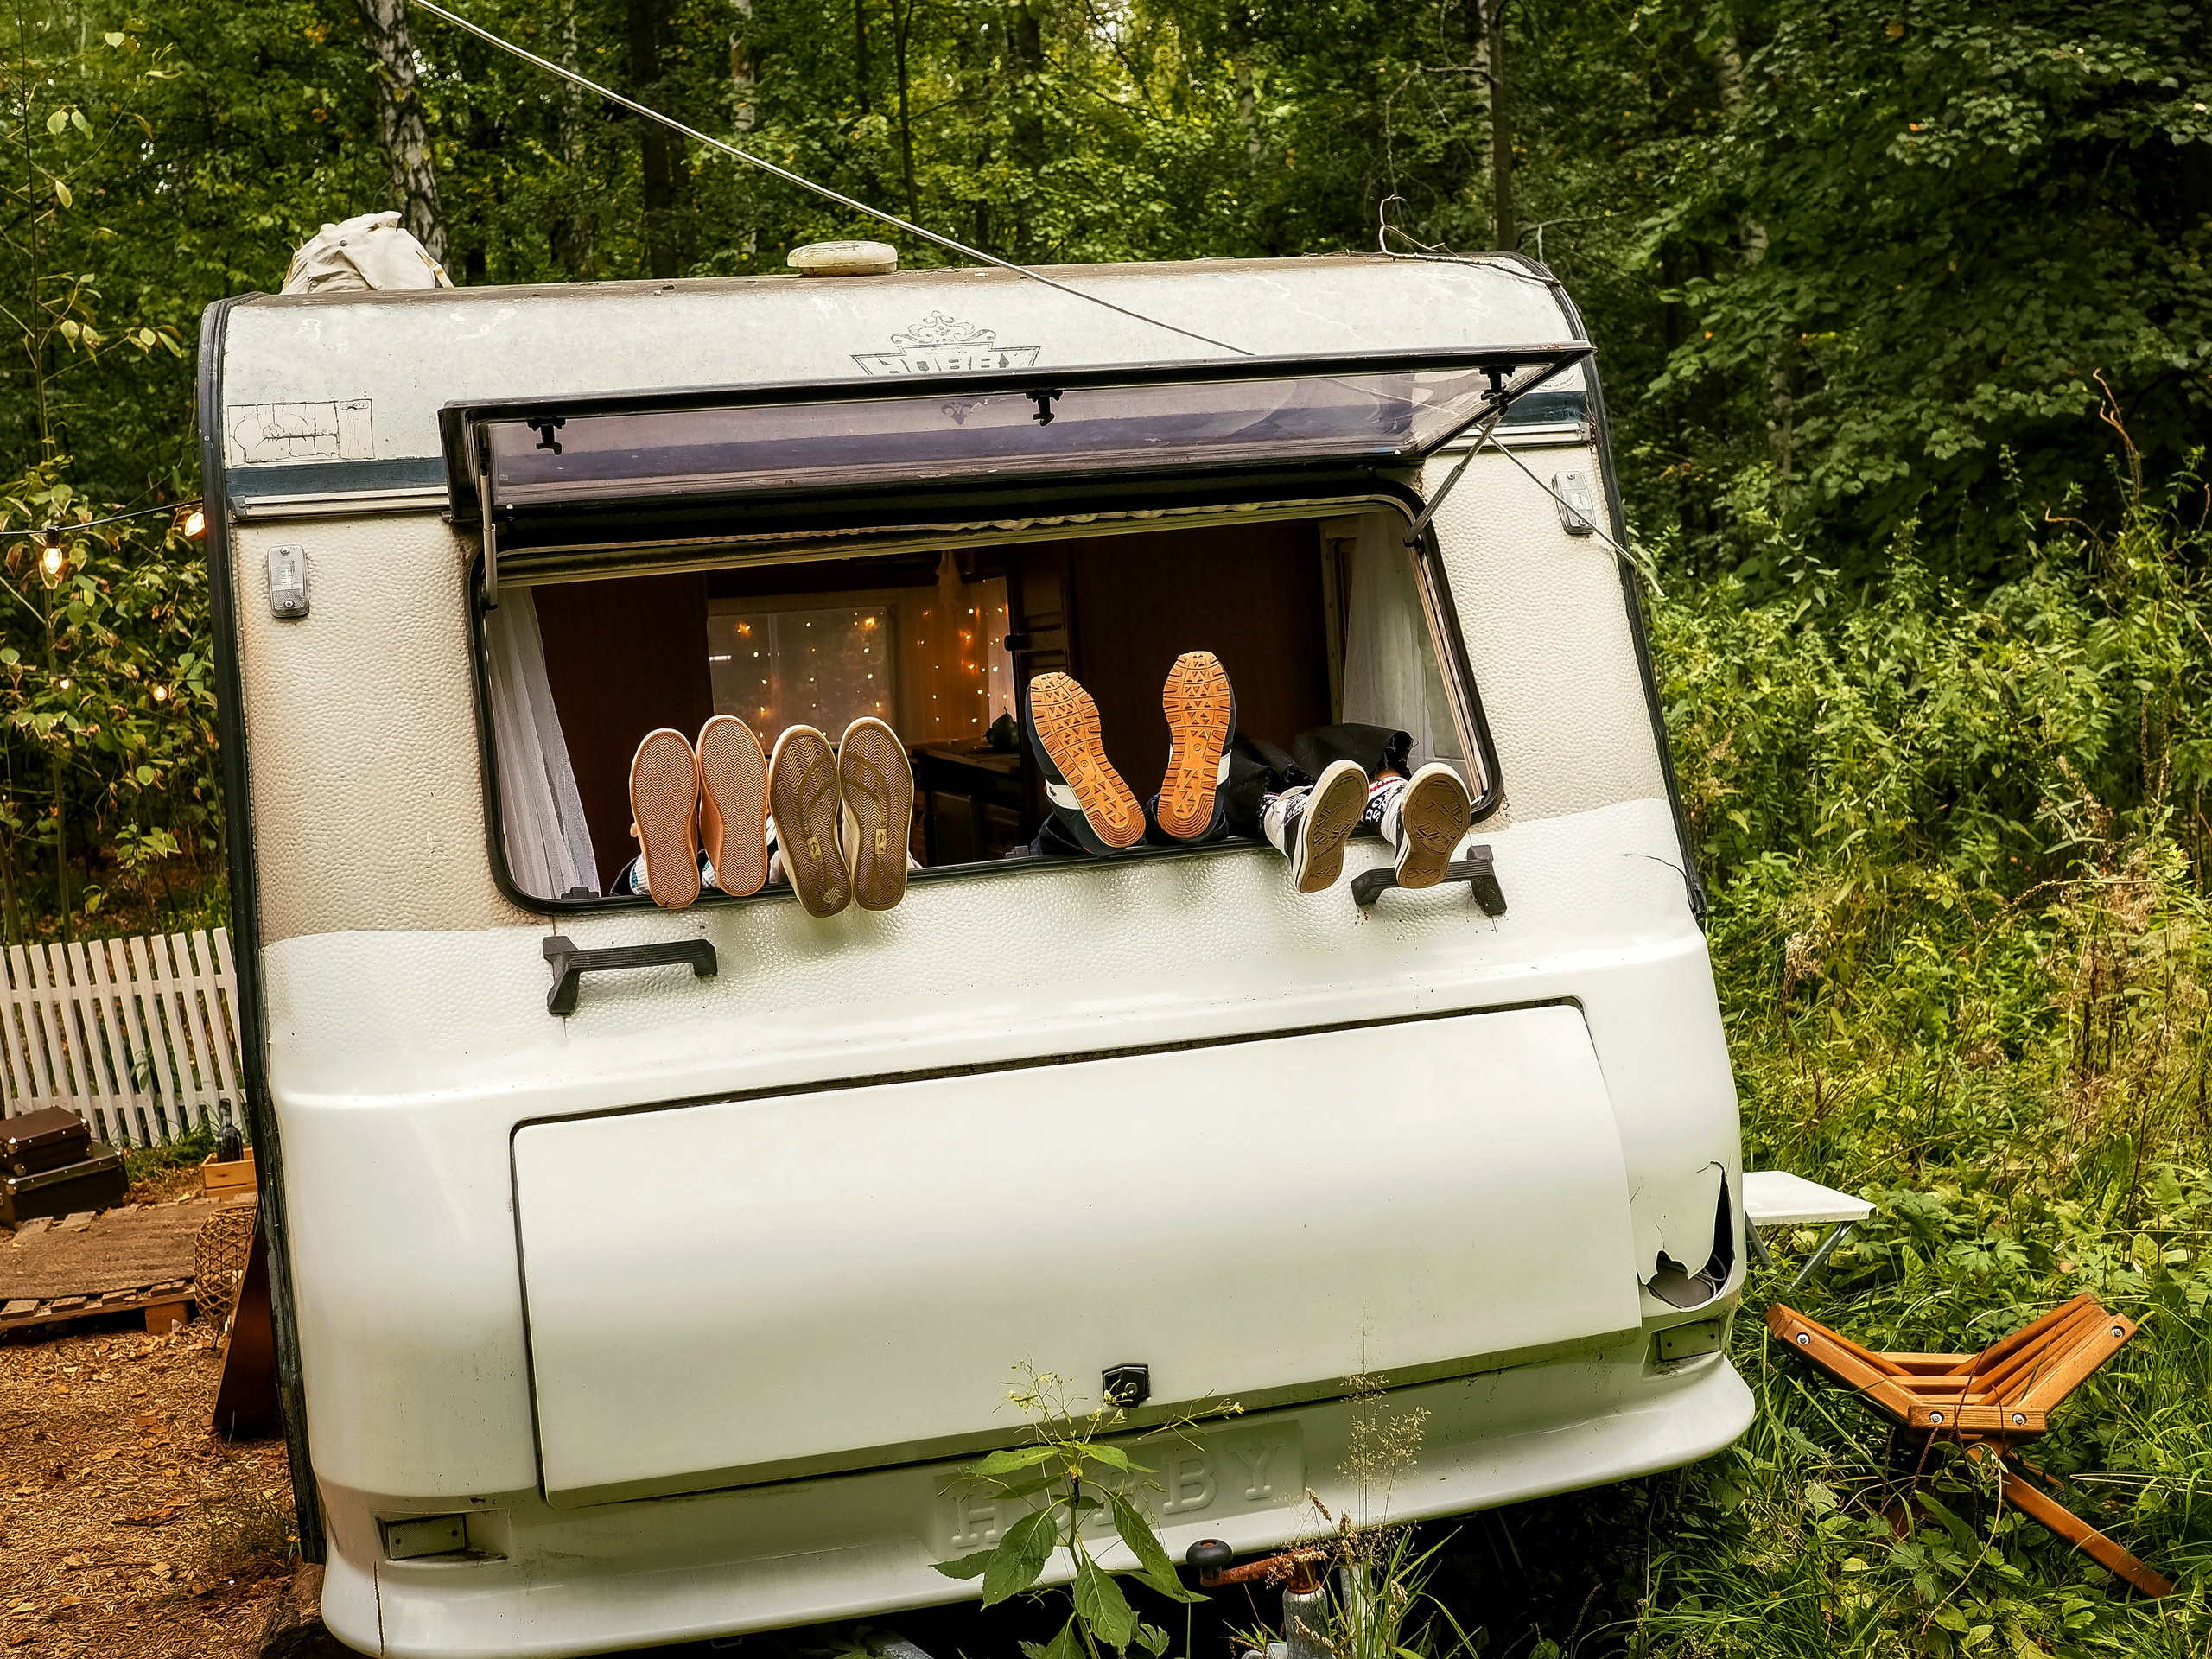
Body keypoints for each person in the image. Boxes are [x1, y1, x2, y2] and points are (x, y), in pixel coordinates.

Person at [1021, 651, 1472, 894]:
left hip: (1074, 861)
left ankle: (1077, 814)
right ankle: (1389, 809)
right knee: (1263, 773)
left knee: (1256, 779)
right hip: (1269, 806)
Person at [620, 714, 916, 917]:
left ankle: (655, 864)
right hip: (793, 872)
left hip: (758, 876)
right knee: (773, 861)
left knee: (742, 869)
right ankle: (877, 853)